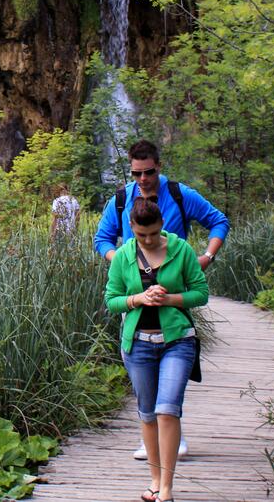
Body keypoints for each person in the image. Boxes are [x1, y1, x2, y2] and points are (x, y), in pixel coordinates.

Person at [95, 138, 229, 461]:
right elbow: (101, 239)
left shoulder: (180, 195)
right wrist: (124, 263)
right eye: (136, 173)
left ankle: (172, 434)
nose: (142, 179)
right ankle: (152, 439)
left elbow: (218, 220)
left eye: (149, 172)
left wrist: (206, 257)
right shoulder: (121, 200)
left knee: (172, 365)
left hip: (174, 293)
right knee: (145, 375)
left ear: (159, 166)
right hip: (135, 299)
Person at [104, 197, 209, 502]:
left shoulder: (181, 250)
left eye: (153, 233)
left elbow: (200, 293)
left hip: (178, 341)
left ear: (161, 225)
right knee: (147, 414)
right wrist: (138, 298)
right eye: (141, 235)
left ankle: (166, 489)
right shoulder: (123, 256)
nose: (148, 240)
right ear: (132, 229)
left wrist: (170, 299)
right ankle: (154, 479)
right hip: (138, 345)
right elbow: (112, 300)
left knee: (167, 410)